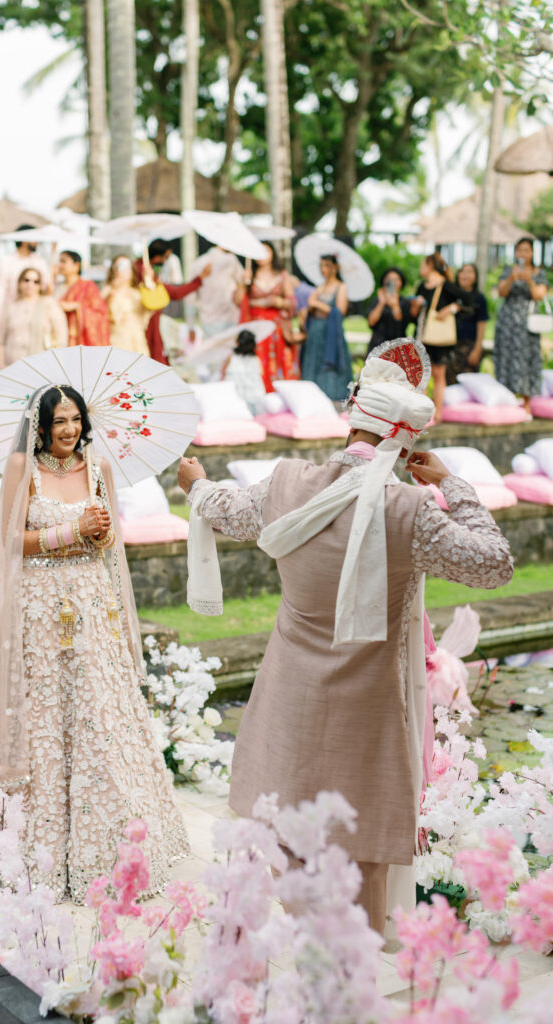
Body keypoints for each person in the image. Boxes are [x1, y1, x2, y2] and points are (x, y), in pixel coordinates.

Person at [177, 338, 513, 935]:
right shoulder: (412, 510)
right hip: (368, 708)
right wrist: (454, 485)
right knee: (357, 848)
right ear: (405, 440)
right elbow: (495, 563)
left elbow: (226, 509)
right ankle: (349, 958)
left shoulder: (287, 484)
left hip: (289, 697)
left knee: (290, 831)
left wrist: (196, 485)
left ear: (352, 417)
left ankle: (305, 937)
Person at [0, 383, 190, 902]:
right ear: (40, 426)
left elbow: (109, 544)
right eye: (58, 422)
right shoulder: (21, 469)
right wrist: (70, 531)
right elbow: (7, 540)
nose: (69, 430)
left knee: (98, 712)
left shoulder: (99, 469)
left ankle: (111, 838)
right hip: (40, 610)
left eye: (75, 420)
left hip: (90, 606)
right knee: (40, 712)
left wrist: (101, 530)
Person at [414, 252, 473, 422]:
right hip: (423, 334)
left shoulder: (446, 286)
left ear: (430, 265)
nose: (421, 268)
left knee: (438, 373)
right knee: (422, 374)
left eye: (423, 264)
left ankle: (438, 413)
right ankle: (421, 413)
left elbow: (468, 300)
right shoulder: (422, 286)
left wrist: (451, 308)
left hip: (440, 338)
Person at [494, 237, 549, 414]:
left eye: (526, 250)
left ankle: (527, 404)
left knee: (527, 358)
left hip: (528, 324)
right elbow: (501, 292)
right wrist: (512, 277)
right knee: (506, 357)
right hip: (508, 322)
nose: (523, 254)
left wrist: (529, 280)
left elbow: (538, 295)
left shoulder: (539, 273)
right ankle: (507, 401)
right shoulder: (508, 270)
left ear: (532, 253)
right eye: (519, 250)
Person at [235, 241, 297, 392]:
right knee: (258, 360)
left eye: (266, 251)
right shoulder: (249, 275)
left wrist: (278, 302)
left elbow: (292, 301)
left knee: (279, 359)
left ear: (272, 253)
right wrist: (243, 283)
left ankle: (280, 393)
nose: (262, 255)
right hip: (256, 326)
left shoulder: (282, 275)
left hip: (276, 327)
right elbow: (238, 301)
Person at [133, 239, 209, 364]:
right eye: (166, 257)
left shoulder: (145, 270)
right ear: (157, 257)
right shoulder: (141, 271)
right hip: (144, 324)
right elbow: (174, 293)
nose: (166, 261)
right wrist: (199, 280)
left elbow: (174, 293)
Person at [301, 254, 352, 402]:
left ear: (335, 267)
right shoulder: (319, 287)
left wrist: (317, 304)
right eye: (321, 266)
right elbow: (311, 309)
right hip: (315, 330)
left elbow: (340, 311)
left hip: (330, 332)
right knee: (313, 362)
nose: (323, 269)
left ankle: (331, 397)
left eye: (326, 265)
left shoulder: (341, 287)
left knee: (329, 366)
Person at [0, 267, 68, 368]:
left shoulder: (48, 304)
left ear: (40, 285)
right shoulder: (11, 307)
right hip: (13, 365)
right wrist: (2, 365)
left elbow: (61, 335)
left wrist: (56, 361)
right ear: (19, 282)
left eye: (36, 281)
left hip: (41, 365)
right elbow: (1, 340)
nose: (30, 284)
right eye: (26, 280)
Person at [0, 224, 51, 333]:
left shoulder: (40, 262)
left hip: (37, 314)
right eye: (35, 239)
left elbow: (46, 288)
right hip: (13, 314)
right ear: (24, 240)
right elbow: (0, 291)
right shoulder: (5, 262)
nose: (37, 242)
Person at [55, 250, 110, 348]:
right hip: (59, 338)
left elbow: (100, 313)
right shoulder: (56, 287)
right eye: (59, 261)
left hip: (79, 341)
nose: (60, 265)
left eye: (64, 262)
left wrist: (77, 307)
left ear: (77, 266)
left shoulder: (88, 286)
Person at [187, 246, 245, 338]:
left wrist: (190, 325)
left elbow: (190, 298)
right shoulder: (231, 260)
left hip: (207, 318)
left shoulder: (198, 263)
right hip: (230, 317)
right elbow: (243, 281)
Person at [101, 256, 150, 356]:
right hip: (117, 340)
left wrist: (149, 279)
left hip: (137, 341)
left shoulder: (138, 292)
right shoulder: (108, 290)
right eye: (120, 266)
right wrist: (113, 291)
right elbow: (101, 312)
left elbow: (151, 307)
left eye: (127, 266)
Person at [449, 263, 489, 385]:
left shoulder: (479, 298)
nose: (465, 274)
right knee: (450, 384)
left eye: (470, 271)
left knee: (469, 383)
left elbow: (481, 324)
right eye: (462, 271)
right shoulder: (450, 296)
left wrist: (477, 349)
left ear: (475, 277)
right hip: (450, 346)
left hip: (470, 346)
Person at [366, 267, 417, 358]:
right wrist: (381, 303)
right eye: (389, 279)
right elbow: (371, 322)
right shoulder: (376, 301)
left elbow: (402, 325)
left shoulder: (405, 303)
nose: (392, 282)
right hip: (377, 346)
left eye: (396, 279)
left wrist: (395, 306)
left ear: (401, 283)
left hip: (398, 348)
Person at [222, 328, 267, 415]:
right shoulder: (255, 359)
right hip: (255, 396)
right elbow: (261, 373)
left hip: (235, 395)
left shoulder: (232, 357)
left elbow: (223, 372)